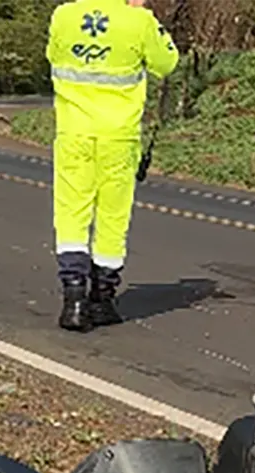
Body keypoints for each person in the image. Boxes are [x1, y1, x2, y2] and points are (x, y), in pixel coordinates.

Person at [46, 0, 179, 332]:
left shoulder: (63, 15)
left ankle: (73, 298)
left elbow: (53, 55)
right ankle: (102, 299)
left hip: (73, 133)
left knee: (71, 213)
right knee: (112, 218)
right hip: (118, 138)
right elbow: (167, 63)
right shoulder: (139, 21)